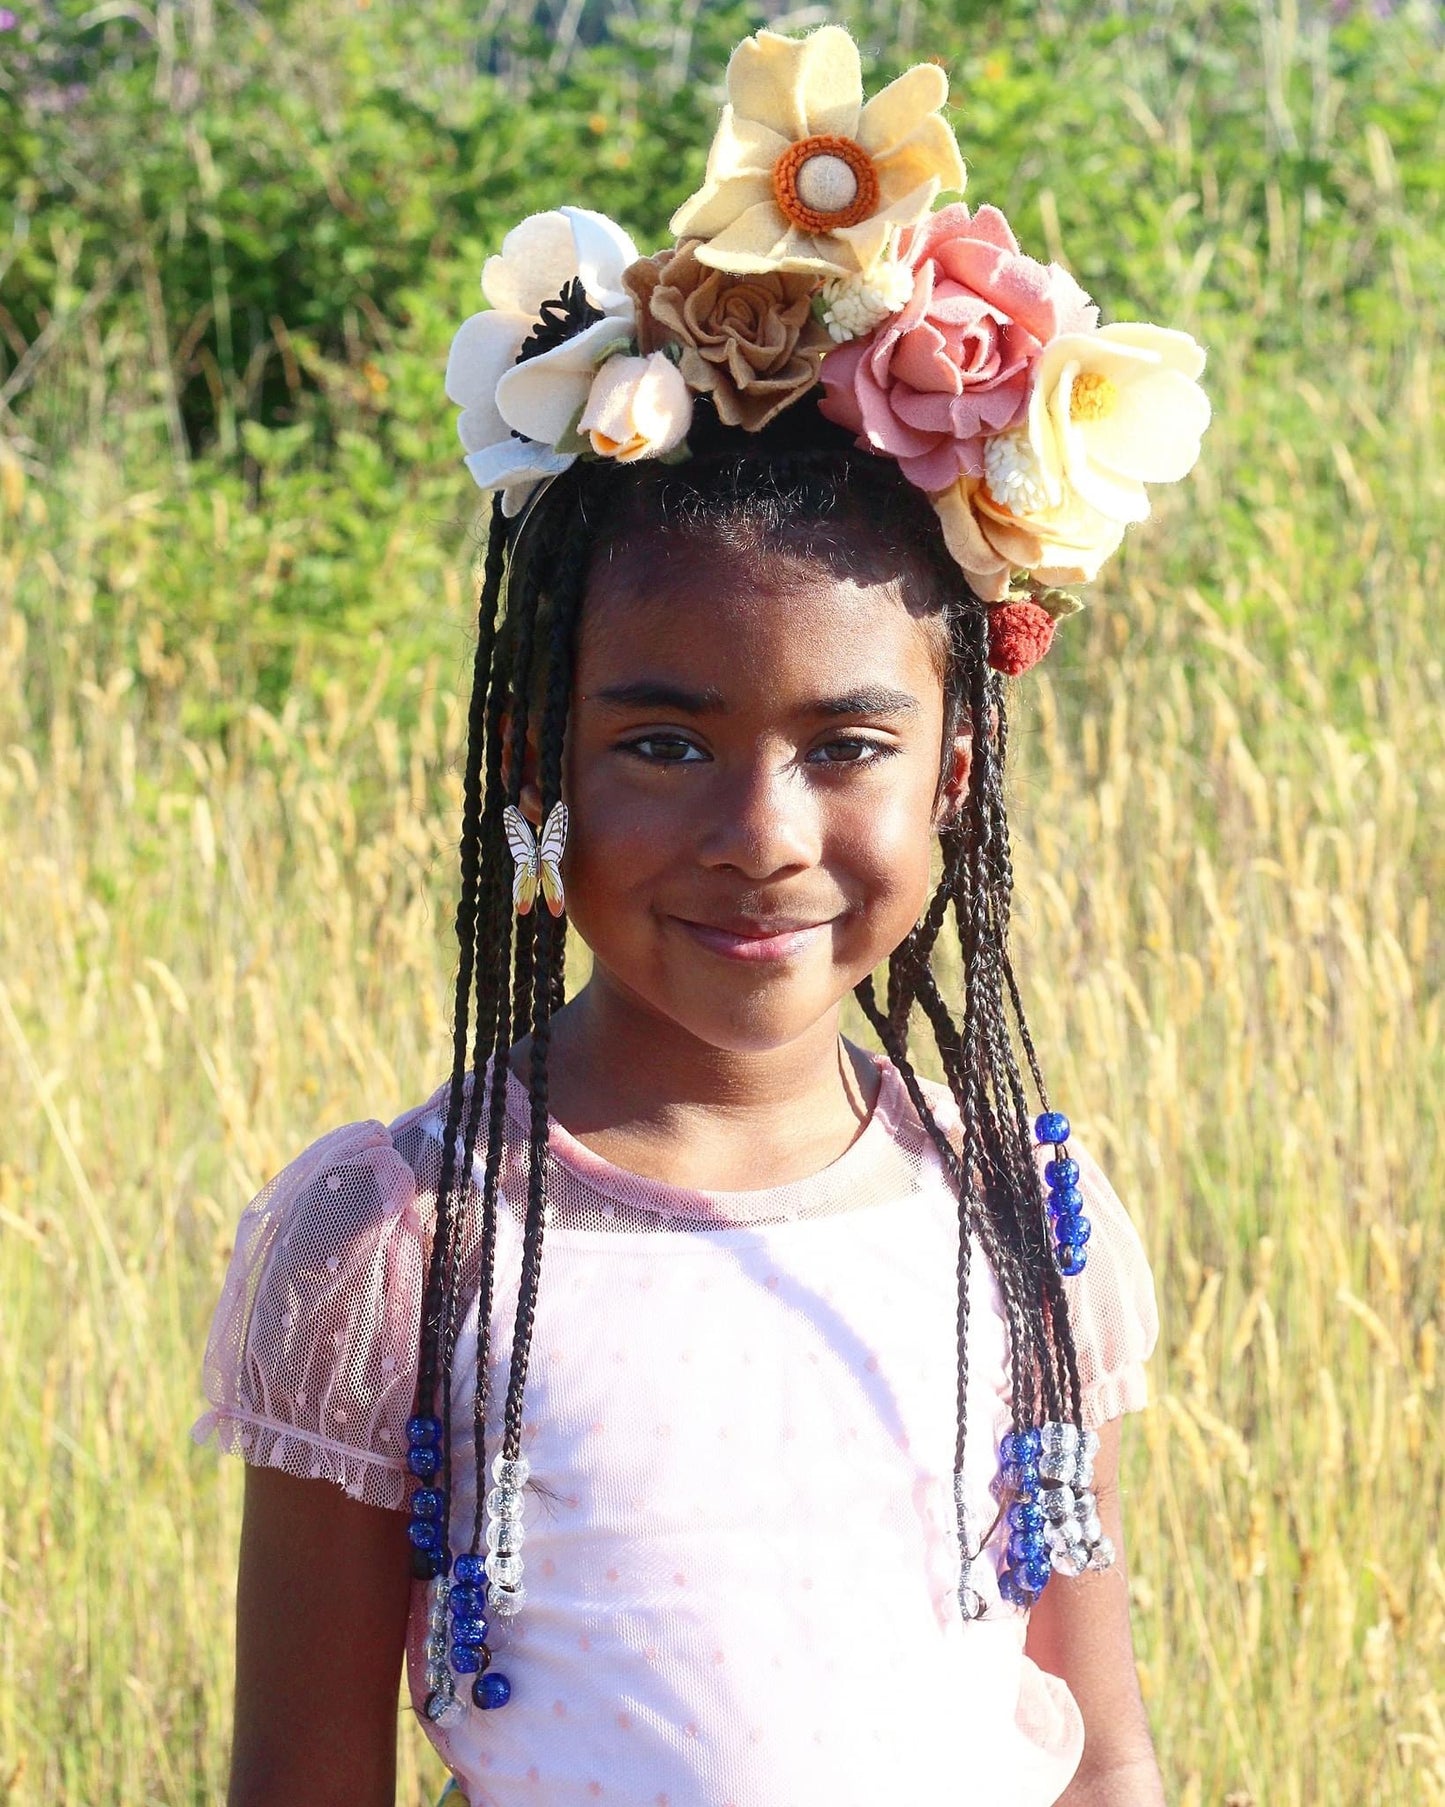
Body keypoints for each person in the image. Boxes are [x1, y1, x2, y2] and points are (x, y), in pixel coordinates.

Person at [196, 24, 1209, 1806]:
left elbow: (1102, 1757)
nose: (760, 835)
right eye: (662, 740)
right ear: (537, 762)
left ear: (952, 778)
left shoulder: (1019, 1232)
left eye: (847, 745)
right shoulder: (393, 1253)